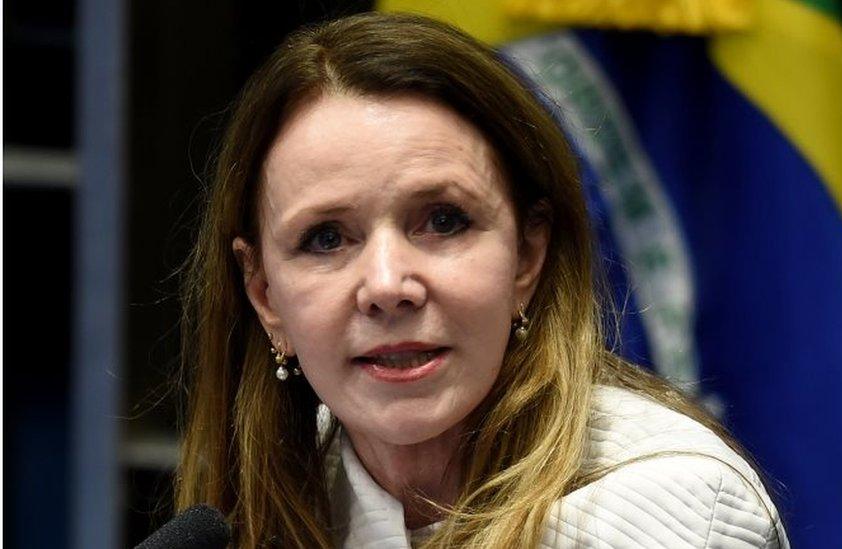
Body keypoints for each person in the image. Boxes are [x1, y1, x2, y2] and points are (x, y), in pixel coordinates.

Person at [176, 12, 789, 548]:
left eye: (444, 221)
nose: (388, 285)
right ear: (265, 296)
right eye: (327, 238)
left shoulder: (664, 510)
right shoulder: (276, 494)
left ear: (526, 256)